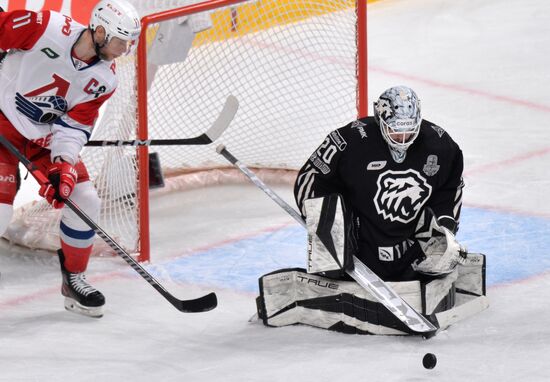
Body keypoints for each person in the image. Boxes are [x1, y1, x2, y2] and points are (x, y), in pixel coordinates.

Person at [256, 86, 487, 335]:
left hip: (410, 247)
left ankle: (415, 266)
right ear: (380, 120)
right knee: (329, 223)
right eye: (395, 133)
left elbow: (450, 188)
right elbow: (310, 178)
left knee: (444, 246)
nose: (403, 140)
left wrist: (445, 228)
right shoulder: (350, 141)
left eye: (409, 131)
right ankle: (338, 265)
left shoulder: (441, 146)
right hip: (360, 244)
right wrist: (324, 225)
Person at [0, 0, 141, 318]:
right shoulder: (46, 28)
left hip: (42, 138)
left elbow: (74, 126)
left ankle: (74, 280)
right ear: (101, 31)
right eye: (121, 42)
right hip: (1, 120)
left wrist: (63, 165)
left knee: (85, 198)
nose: (123, 50)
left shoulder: (105, 79)